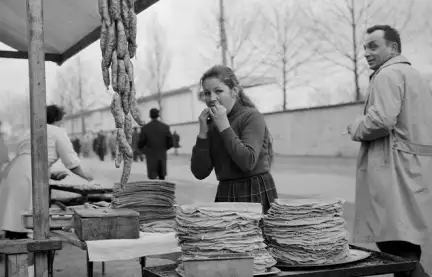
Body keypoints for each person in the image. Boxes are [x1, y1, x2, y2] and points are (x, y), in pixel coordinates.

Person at [347, 25, 432, 277]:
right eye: (364, 47)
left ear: (393, 48)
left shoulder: (387, 75)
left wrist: (355, 127)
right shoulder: (417, 76)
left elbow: (381, 121)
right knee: (407, 245)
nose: (366, 52)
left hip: (393, 174)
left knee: (397, 252)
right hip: (416, 171)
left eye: (373, 46)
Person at [190, 65, 278, 214]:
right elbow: (200, 172)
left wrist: (224, 125)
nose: (212, 98)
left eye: (218, 91)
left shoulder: (251, 117)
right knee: (226, 238)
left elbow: (247, 162)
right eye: (206, 93)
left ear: (234, 91)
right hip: (226, 191)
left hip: (255, 190)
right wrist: (203, 134)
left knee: (257, 237)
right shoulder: (212, 125)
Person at [0, 105, 93, 239]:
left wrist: (50, 175)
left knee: (13, 216)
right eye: (62, 120)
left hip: (15, 169)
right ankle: (25, 252)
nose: (62, 123)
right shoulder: (57, 131)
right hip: (28, 172)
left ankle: (14, 244)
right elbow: (71, 162)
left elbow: (31, 155)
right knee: (26, 219)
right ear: (56, 119)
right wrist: (86, 176)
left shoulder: (31, 130)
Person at [138, 108, 173, 180]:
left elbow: (141, 143)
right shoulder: (165, 127)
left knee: (152, 177)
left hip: (150, 156)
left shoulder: (145, 128)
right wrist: (165, 148)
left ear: (150, 116)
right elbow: (171, 142)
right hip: (161, 154)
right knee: (161, 176)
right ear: (158, 115)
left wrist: (144, 151)